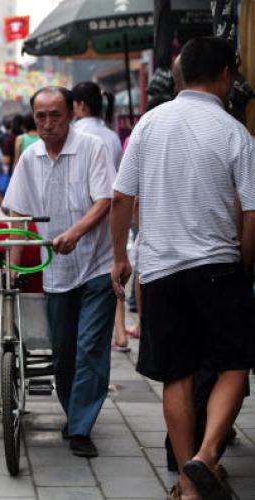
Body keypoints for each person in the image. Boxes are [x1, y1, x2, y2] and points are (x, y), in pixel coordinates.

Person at [111, 37, 255, 500]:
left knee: (177, 374)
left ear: (179, 77)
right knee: (235, 364)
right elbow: (253, 213)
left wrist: (120, 256)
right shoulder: (235, 133)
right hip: (217, 265)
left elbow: (120, 198)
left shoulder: (149, 124)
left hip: (160, 270)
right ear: (225, 77)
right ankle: (205, 458)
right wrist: (243, 264)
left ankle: (185, 486)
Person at [2, 86, 117, 458]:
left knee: (91, 348)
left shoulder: (91, 147)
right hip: (57, 270)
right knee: (64, 350)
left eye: (55, 115)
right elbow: (19, 216)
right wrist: (14, 266)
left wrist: (76, 232)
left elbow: (105, 199)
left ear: (71, 114)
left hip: (98, 263)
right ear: (33, 118)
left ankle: (81, 426)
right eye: (41, 116)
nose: (48, 123)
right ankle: (74, 412)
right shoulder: (30, 157)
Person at [70, 81, 129, 353]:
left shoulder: (74, 134)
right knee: (112, 272)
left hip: (81, 217)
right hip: (111, 215)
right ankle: (119, 331)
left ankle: (90, 334)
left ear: (80, 105)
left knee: (81, 281)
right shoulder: (112, 136)